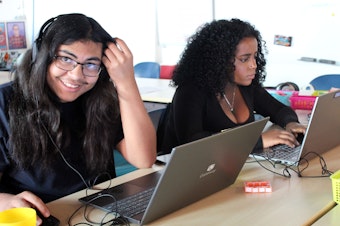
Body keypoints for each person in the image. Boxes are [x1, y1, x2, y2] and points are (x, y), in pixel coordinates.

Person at [0, 13, 156, 224]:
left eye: (91, 64)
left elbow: (143, 159)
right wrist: (4, 201)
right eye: (65, 59)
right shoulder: (5, 101)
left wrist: (126, 81)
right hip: (44, 216)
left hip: (103, 213)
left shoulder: (100, 99)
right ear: (42, 56)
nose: (76, 75)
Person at [159, 18, 306, 155]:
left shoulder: (246, 86)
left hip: (228, 166)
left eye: (255, 56)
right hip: (183, 172)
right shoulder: (190, 91)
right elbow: (192, 143)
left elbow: (278, 109)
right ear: (220, 60)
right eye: (244, 59)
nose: (254, 65)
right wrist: (257, 141)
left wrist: (291, 123)